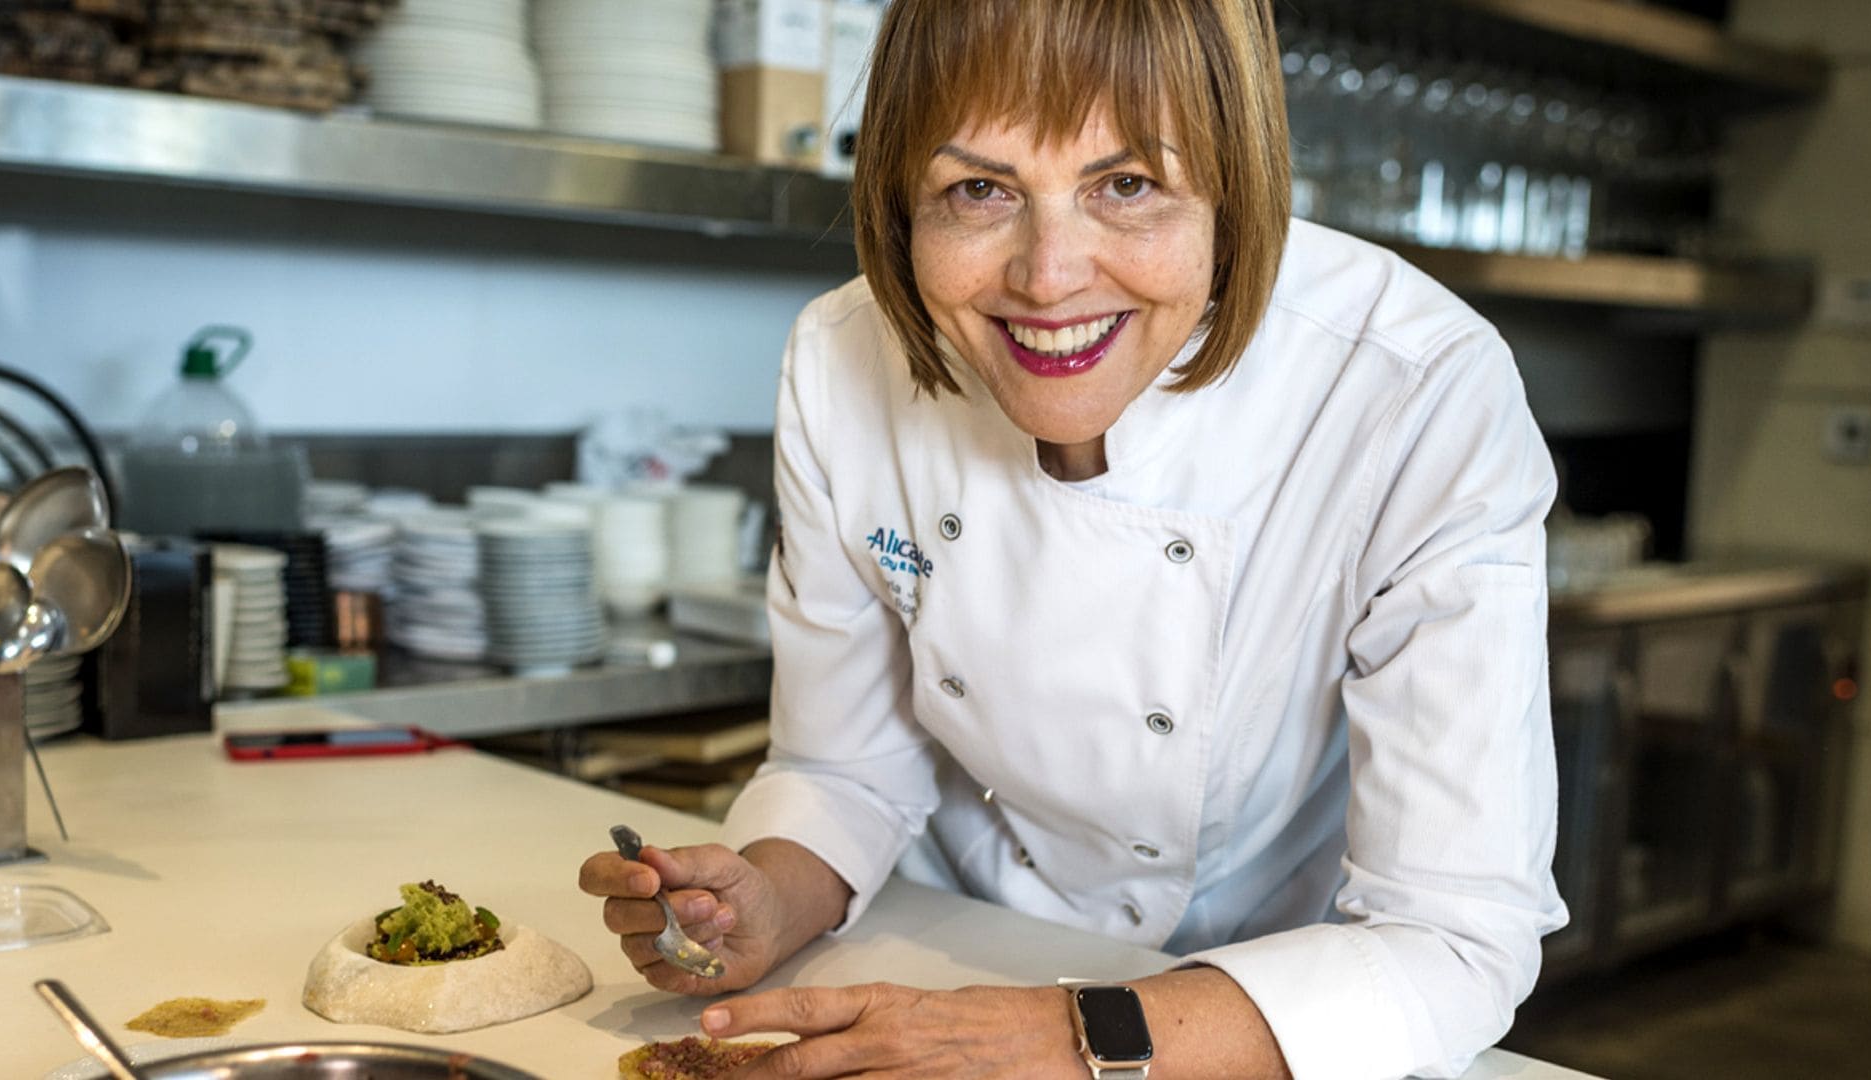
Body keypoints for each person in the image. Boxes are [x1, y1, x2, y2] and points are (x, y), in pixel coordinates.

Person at [579, 0, 1567, 1076]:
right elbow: (844, 765)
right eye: (979, 191)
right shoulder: (839, 357)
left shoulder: (1412, 387)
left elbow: (1455, 940)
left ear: (1235, 186)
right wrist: (767, 898)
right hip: (948, 975)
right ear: (897, 200)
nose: (1049, 278)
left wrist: (1072, 1036)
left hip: (1282, 1014)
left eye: (1128, 184)